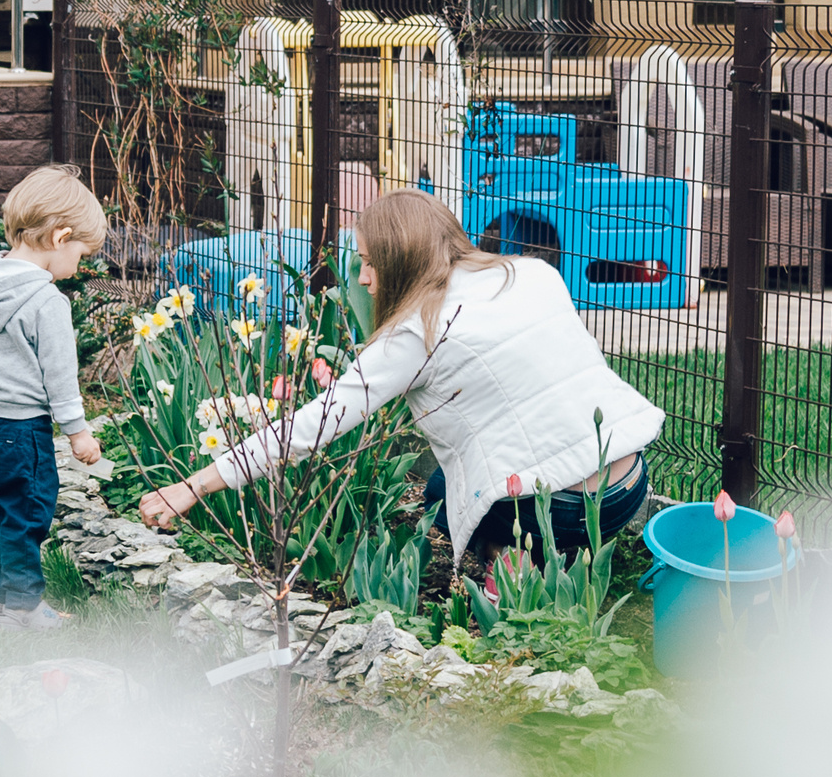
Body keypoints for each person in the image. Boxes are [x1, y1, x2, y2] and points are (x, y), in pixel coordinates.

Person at [138, 190, 663, 568]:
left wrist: (193, 486)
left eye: (369, 263)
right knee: (440, 485)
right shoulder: (529, 272)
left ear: (402, 260)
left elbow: (308, 428)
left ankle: (515, 580)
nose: (363, 278)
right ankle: (562, 561)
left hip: (561, 508)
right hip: (628, 482)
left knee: (441, 499)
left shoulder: (418, 331)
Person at [0, 166, 107, 630]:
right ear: (60, 237)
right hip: (23, 426)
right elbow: (60, 376)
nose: (80, 266)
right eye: (81, 253)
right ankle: (26, 608)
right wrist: (78, 432)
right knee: (28, 510)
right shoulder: (47, 302)